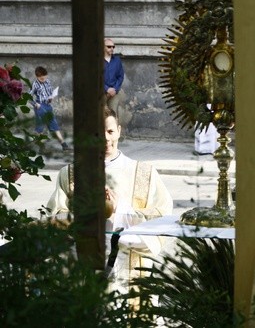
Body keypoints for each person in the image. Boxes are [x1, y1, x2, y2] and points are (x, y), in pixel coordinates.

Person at [47, 107, 173, 282]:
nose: (106, 138)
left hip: (128, 275)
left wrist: (119, 210)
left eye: (110, 131)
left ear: (119, 131)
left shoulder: (145, 173)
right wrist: (79, 212)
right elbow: (53, 221)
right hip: (81, 270)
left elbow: (161, 219)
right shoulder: (70, 174)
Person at [29, 66, 69, 151]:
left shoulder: (48, 81)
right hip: (39, 106)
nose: (43, 78)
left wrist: (51, 98)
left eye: (44, 76)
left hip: (48, 106)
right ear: (37, 77)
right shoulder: (35, 84)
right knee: (40, 128)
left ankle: (63, 144)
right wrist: (35, 104)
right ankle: (38, 145)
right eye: (41, 77)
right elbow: (28, 97)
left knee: (54, 124)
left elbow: (49, 93)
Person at [104, 38, 125, 119]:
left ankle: (114, 131)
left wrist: (115, 89)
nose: (112, 48)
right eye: (109, 46)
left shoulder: (117, 60)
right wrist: (106, 89)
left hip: (114, 93)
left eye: (113, 47)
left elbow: (121, 76)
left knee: (113, 114)